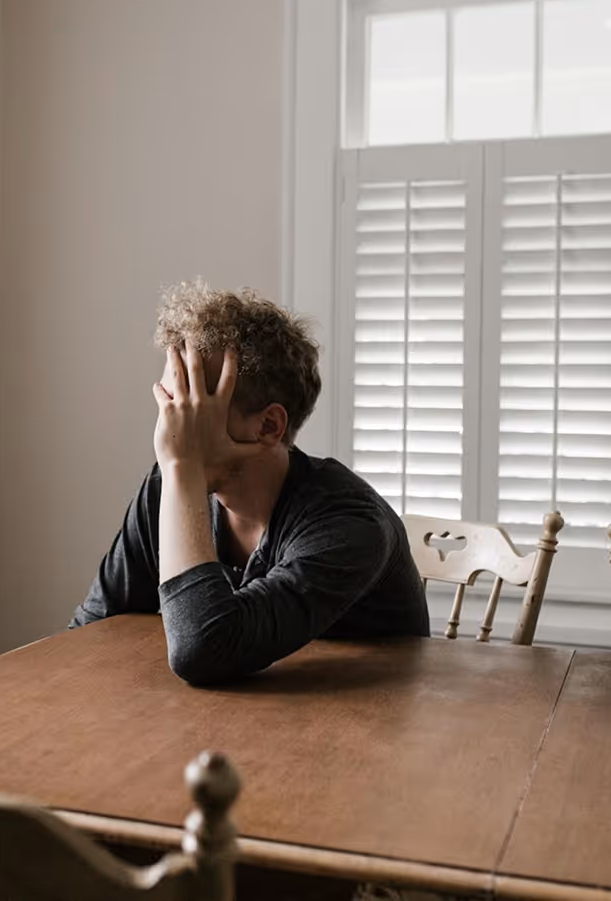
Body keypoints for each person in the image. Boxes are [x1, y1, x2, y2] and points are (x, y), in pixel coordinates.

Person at [69, 279, 429, 685]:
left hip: (366, 729)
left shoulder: (349, 524)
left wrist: (183, 469)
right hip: (227, 723)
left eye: (191, 409)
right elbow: (90, 632)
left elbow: (203, 650)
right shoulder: (168, 485)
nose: (168, 431)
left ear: (269, 426)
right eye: (169, 405)